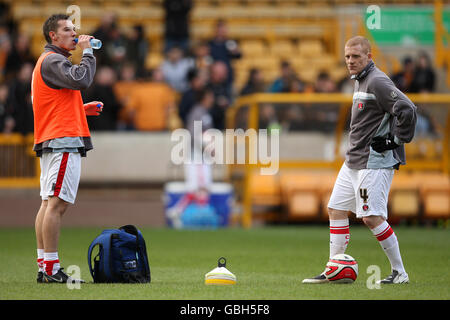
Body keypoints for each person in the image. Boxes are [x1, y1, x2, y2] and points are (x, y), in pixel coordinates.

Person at [302, 36, 417, 285]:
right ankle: (334, 268)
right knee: (335, 209)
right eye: (347, 56)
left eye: (356, 56)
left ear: (369, 56)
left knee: (371, 217)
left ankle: (400, 272)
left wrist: (395, 141)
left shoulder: (377, 81)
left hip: (373, 162)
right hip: (353, 160)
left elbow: (408, 108)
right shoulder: (360, 80)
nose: (350, 61)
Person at [32, 14, 103, 284]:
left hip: (53, 138)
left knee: (48, 204)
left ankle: (45, 265)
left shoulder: (46, 62)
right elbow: (81, 79)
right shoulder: (53, 60)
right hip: (62, 141)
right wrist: (88, 53)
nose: (74, 34)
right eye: (67, 29)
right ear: (53, 36)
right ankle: (50, 269)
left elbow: (49, 103)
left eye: (74, 29)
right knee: (57, 206)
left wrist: (80, 110)